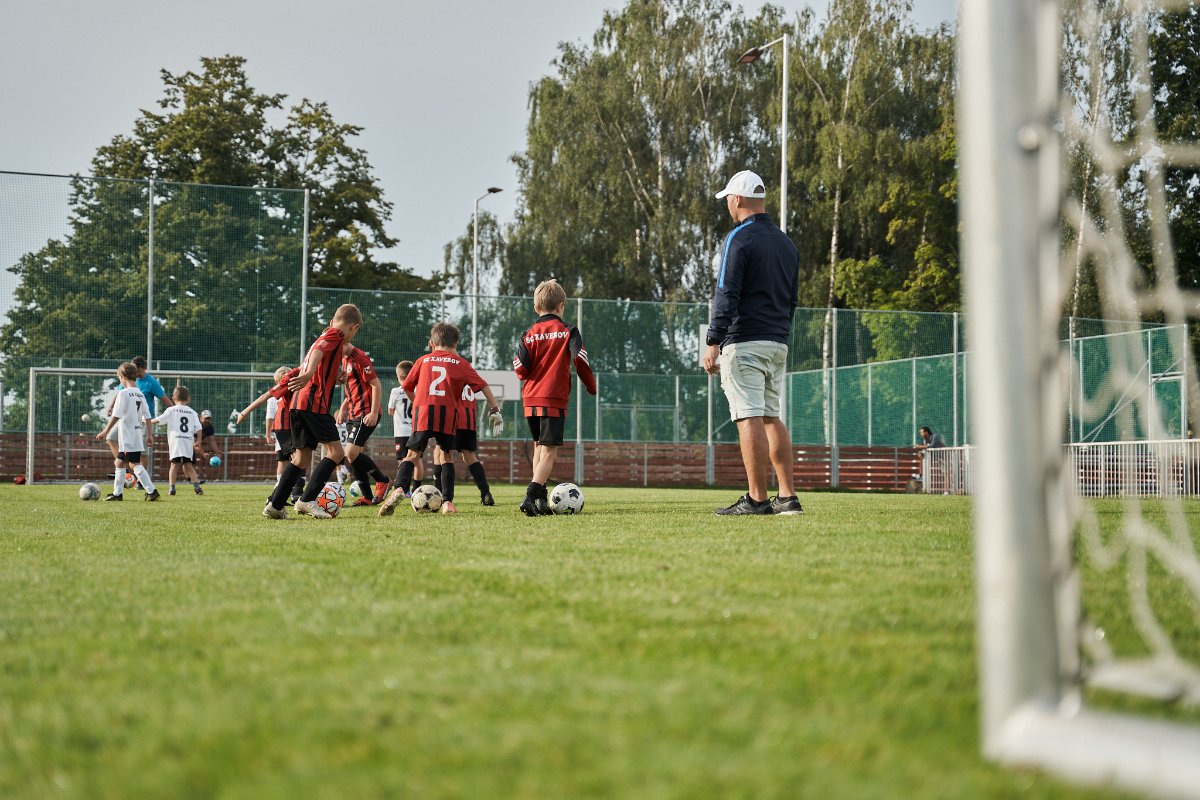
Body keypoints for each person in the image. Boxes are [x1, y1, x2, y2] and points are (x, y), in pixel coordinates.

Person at [702, 169, 803, 516]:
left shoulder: (739, 239)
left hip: (744, 342)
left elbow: (726, 293)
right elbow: (792, 299)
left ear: (739, 199)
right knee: (772, 416)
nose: (728, 204)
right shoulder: (786, 243)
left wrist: (713, 340)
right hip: (778, 342)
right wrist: (780, 333)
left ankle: (757, 499)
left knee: (749, 417)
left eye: (728, 198)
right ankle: (787, 497)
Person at [378, 322, 500, 516]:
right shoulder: (461, 363)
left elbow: (408, 387)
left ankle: (399, 488)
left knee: (412, 455)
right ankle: (448, 502)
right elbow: (483, 385)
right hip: (448, 415)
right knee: (446, 456)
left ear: (432, 343)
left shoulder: (423, 360)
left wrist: (418, 402)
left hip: (424, 412)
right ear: (456, 343)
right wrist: (495, 408)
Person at [263, 303, 362, 519]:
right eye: (355, 332)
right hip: (313, 403)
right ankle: (306, 500)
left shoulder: (327, 334)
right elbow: (318, 352)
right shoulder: (335, 334)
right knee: (336, 453)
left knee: (301, 458)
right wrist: (308, 374)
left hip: (299, 403)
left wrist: (334, 378)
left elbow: (318, 357)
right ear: (354, 327)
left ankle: (275, 505)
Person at [512, 279, 597, 517]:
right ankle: (531, 494)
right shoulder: (569, 330)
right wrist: (591, 385)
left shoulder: (527, 334)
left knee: (540, 445)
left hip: (530, 397)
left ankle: (540, 499)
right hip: (553, 398)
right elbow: (579, 358)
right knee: (550, 451)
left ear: (536, 307)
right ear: (561, 306)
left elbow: (520, 368)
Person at [434, 366, 503, 506]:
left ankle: (445, 498)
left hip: (451, 417)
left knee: (444, 454)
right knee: (469, 456)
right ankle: (486, 493)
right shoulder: (468, 370)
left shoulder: (448, 368)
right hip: (469, 418)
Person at [237, 366, 304, 504]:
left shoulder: (300, 376)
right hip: (284, 426)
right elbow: (264, 397)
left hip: (293, 426)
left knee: (300, 460)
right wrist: (244, 412)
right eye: (286, 373)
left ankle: (277, 497)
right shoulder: (287, 381)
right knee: (298, 460)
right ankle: (295, 494)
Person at [95, 361, 160, 501]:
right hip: (136, 434)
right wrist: (150, 435)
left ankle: (152, 491)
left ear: (123, 376)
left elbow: (116, 415)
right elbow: (148, 416)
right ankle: (118, 494)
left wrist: (105, 431)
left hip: (127, 436)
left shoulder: (123, 393)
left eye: (119, 377)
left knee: (133, 464)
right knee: (119, 463)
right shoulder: (140, 394)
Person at [338, 341, 391, 506]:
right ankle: (367, 497)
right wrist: (343, 408)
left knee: (350, 452)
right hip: (353, 414)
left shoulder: (360, 358)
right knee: (354, 457)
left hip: (365, 412)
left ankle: (382, 480)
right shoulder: (344, 359)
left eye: (336, 347)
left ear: (345, 341)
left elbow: (376, 385)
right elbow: (354, 387)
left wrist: (374, 412)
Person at [150, 385, 203, 495]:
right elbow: (199, 429)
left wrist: (146, 421)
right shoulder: (192, 412)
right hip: (188, 441)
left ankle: (172, 488)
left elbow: (159, 419)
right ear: (188, 398)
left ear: (173, 399)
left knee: (174, 465)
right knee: (188, 465)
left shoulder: (171, 410)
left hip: (176, 441)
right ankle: (197, 488)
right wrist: (199, 443)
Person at [388, 360, 421, 493]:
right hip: (416, 430)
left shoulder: (396, 391)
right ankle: (417, 489)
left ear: (400, 376)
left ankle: (404, 489)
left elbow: (390, 411)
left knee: (403, 461)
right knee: (417, 461)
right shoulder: (418, 390)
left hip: (401, 431)